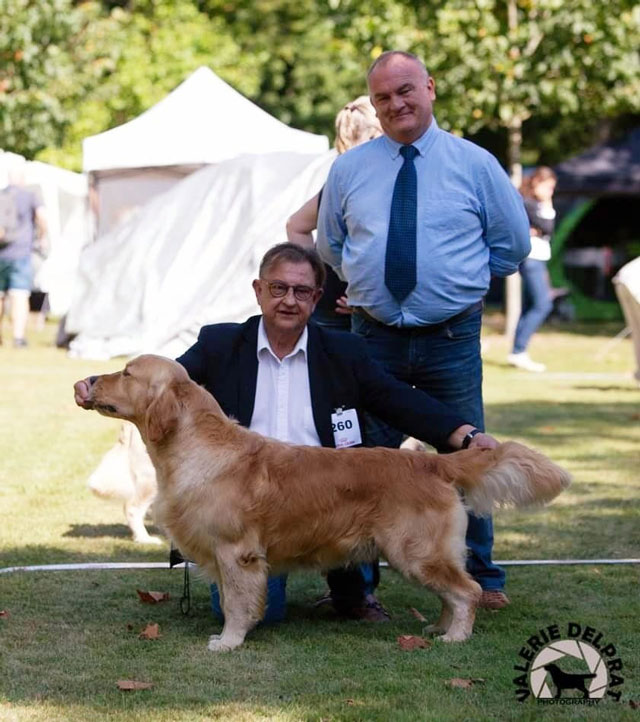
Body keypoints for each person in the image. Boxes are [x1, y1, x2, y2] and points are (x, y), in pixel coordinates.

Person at [170, 242, 498, 622]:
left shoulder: (343, 350)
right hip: (245, 504)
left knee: (361, 517)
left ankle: (355, 590)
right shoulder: (220, 344)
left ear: (317, 298)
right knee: (260, 612)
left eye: (301, 291)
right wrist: (103, 388)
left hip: (333, 495)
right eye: (278, 289)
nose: (289, 301)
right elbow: (165, 383)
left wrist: (467, 435)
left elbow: (397, 400)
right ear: (258, 290)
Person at [316, 50, 531, 610]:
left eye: (406, 90)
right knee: (361, 463)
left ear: (430, 88)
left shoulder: (475, 164)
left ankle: (483, 580)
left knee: (469, 454)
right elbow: (331, 245)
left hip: (451, 338)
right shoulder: (348, 169)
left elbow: (514, 244)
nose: (396, 104)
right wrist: (366, 283)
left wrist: (461, 283)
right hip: (372, 339)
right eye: (383, 97)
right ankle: (358, 591)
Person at [286, 96, 382, 330]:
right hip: (341, 312)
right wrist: (315, 282)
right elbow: (296, 225)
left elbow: (296, 225)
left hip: (342, 306)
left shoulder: (342, 181)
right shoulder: (348, 184)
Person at [507, 166, 558, 372]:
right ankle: (519, 350)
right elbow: (548, 227)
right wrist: (546, 207)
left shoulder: (534, 205)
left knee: (530, 305)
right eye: (548, 188)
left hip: (538, 258)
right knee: (542, 304)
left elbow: (546, 229)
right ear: (537, 183)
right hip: (531, 259)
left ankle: (518, 351)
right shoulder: (527, 203)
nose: (550, 193)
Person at [0, 164, 46, 347]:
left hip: (1, 253)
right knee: (19, 295)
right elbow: (42, 217)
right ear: (23, 179)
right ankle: (18, 337)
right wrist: (42, 237)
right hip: (21, 252)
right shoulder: (30, 194)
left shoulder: (1, 195)